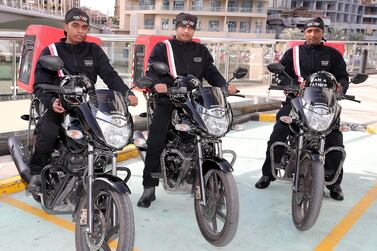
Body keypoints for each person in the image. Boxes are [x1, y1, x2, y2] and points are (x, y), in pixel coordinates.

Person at [27, 8, 138, 194]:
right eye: (75, 26)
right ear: (66, 27)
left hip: (87, 104)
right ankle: (37, 173)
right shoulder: (52, 50)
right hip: (60, 102)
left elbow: (109, 75)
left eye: (84, 27)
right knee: (49, 130)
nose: (80, 31)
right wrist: (51, 100)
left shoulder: (93, 50)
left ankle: (97, 173)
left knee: (106, 130)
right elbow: (39, 85)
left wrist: (126, 94)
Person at [137, 12, 238, 208]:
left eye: (191, 27)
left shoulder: (200, 50)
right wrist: (158, 84)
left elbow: (211, 72)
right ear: (176, 27)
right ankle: (149, 187)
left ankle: (210, 178)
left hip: (196, 101)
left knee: (211, 133)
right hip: (169, 99)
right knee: (156, 137)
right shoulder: (163, 47)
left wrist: (224, 86)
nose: (187, 30)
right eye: (183, 26)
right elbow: (151, 71)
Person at [255, 17, 348, 201]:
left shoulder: (333, 54)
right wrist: (292, 85)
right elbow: (281, 75)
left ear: (322, 33)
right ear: (304, 33)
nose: (313, 34)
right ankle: (268, 173)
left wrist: (341, 87)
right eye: (309, 31)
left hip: (325, 104)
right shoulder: (293, 53)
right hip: (296, 102)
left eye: (317, 31)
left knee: (335, 139)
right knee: (279, 132)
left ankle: (334, 183)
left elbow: (343, 77)